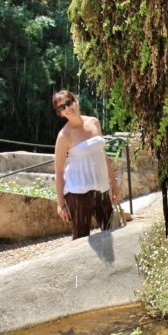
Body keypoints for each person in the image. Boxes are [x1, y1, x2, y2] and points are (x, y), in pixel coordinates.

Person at [52, 90, 121, 239]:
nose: (67, 108)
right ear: (60, 113)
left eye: (68, 103)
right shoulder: (64, 136)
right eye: (61, 108)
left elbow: (103, 155)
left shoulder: (94, 122)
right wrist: (61, 204)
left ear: (75, 101)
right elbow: (58, 171)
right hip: (78, 191)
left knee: (113, 232)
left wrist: (114, 183)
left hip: (101, 187)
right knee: (81, 238)